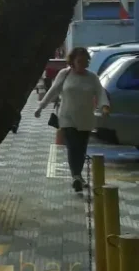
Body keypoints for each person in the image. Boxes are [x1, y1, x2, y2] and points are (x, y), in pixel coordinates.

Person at [35, 47, 110, 192]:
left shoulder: (92, 77)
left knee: (81, 148)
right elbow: (53, 91)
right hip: (67, 117)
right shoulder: (65, 74)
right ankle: (76, 176)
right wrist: (40, 107)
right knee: (73, 146)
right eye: (79, 61)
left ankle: (78, 175)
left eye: (85, 61)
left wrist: (104, 107)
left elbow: (100, 93)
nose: (82, 64)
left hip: (85, 118)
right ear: (72, 61)